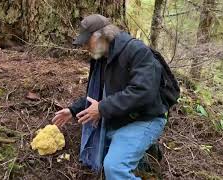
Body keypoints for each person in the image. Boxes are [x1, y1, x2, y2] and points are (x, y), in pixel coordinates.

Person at [52, 14, 168, 180]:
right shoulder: (102, 59)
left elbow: (143, 92)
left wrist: (101, 108)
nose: (85, 47)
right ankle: (145, 161)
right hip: (121, 117)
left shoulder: (137, 51)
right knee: (102, 150)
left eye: (87, 41)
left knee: (114, 168)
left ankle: (141, 154)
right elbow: (98, 96)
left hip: (145, 119)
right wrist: (73, 110)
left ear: (101, 36)